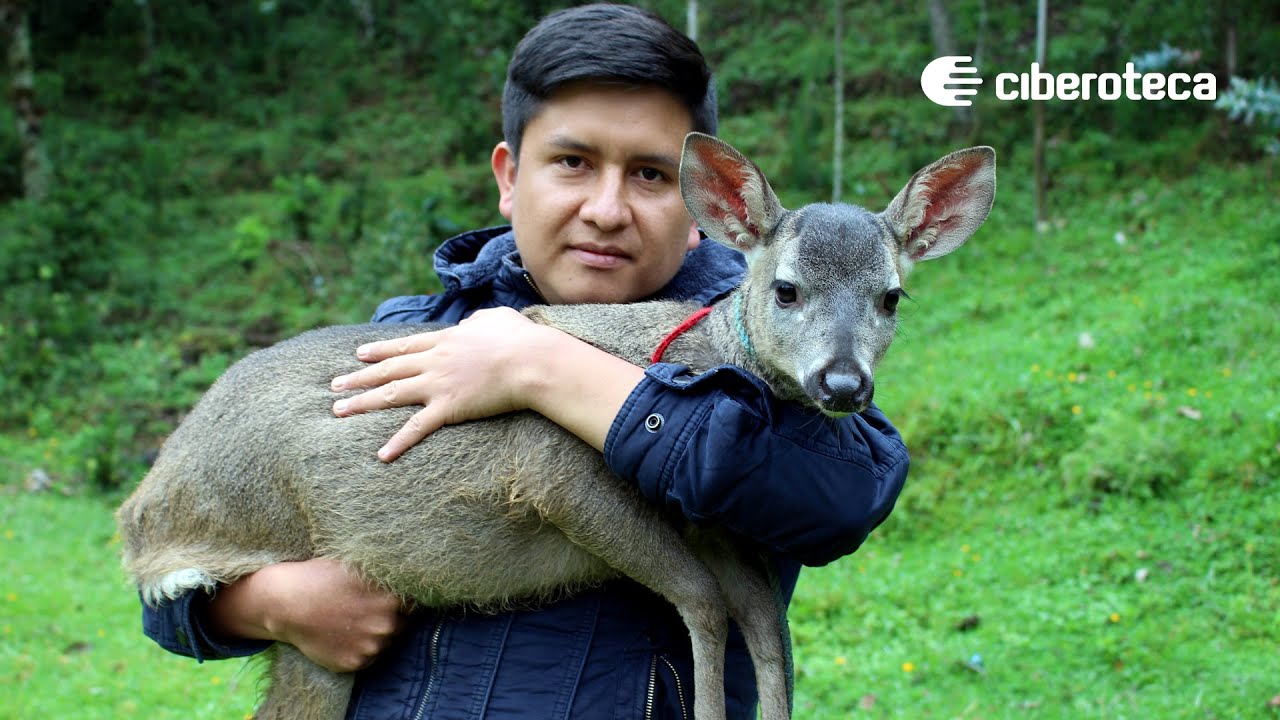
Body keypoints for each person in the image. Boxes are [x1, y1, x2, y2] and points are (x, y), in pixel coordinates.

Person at [138, 5, 910, 719]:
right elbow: (181, 565)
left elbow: (837, 493)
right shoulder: (416, 336)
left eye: (649, 174)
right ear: (510, 177)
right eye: (572, 162)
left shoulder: (771, 351)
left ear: (707, 203)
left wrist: (538, 365)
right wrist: (268, 605)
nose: (607, 209)